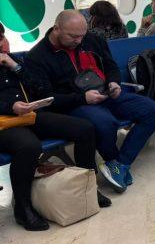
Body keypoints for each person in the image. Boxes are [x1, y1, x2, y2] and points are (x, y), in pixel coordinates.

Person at [24, 11, 155, 192]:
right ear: (57, 28)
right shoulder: (37, 57)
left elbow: (110, 65)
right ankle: (114, 163)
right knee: (106, 123)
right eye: (73, 36)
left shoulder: (91, 40)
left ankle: (120, 165)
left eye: (82, 35)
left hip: (106, 93)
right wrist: (83, 98)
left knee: (154, 111)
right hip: (75, 103)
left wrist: (113, 81)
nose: (78, 41)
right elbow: (47, 99)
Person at [0, 47, 111, 231]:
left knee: (84, 129)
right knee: (29, 147)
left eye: (3, 38)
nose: (3, 44)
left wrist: (15, 67)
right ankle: (23, 208)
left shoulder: (10, 60)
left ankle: (87, 187)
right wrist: (10, 106)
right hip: (4, 123)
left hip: (28, 114)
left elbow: (38, 88)